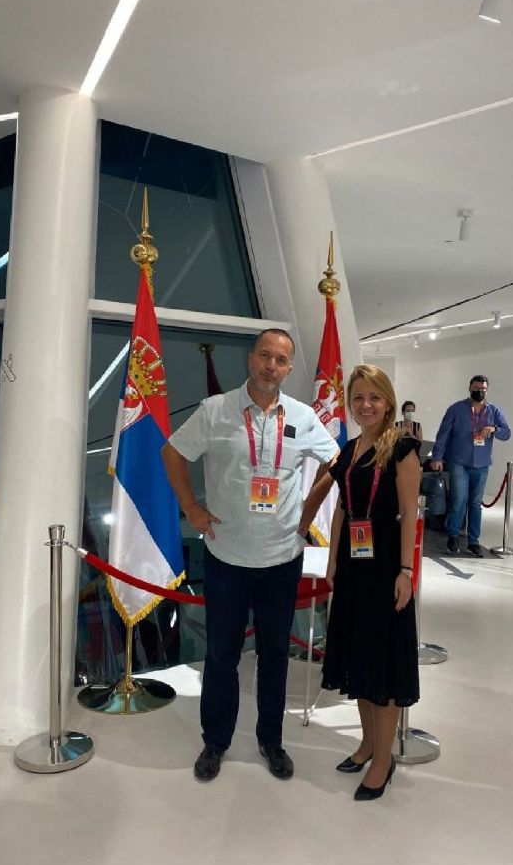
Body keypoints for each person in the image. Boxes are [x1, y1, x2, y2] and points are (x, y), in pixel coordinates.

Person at [161, 329, 338, 783]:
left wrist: (307, 512)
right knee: (222, 655)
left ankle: (271, 741)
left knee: (275, 655)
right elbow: (172, 453)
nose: (270, 366)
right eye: (264, 356)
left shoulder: (302, 416)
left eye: (280, 360)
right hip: (227, 557)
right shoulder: (216, 410)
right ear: (251, 358)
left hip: (282, 557)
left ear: (289, 368)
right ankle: (215, 742)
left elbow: (336, 462)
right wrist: (192, 508)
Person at [311, 364, 421, 802]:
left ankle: (383, 758)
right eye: (358, 397)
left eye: (374, 397)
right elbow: (342, 508)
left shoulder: (403, 447)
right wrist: (333, 560)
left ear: (388, 401)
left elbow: (409, 514)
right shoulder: (351, 448)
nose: (366, 405)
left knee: (382, 664)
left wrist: (406, 571)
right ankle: (368, 744)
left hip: (386, 568)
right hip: (353, 567)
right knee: (359, 659)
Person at [430, 375, 511, 557]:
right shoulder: (456, 409)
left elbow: (507, 433)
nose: (479, 392)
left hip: (481, 464)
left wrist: (494, 429)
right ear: (469, 388)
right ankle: (453, 536)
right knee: (459, 500)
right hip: (458, 461)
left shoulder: (494, 411)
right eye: (476, 388)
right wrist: (437, 457)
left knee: (475, 503)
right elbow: (443, 434)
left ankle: (473, 541)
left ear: (487, 390)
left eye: (483, 389)